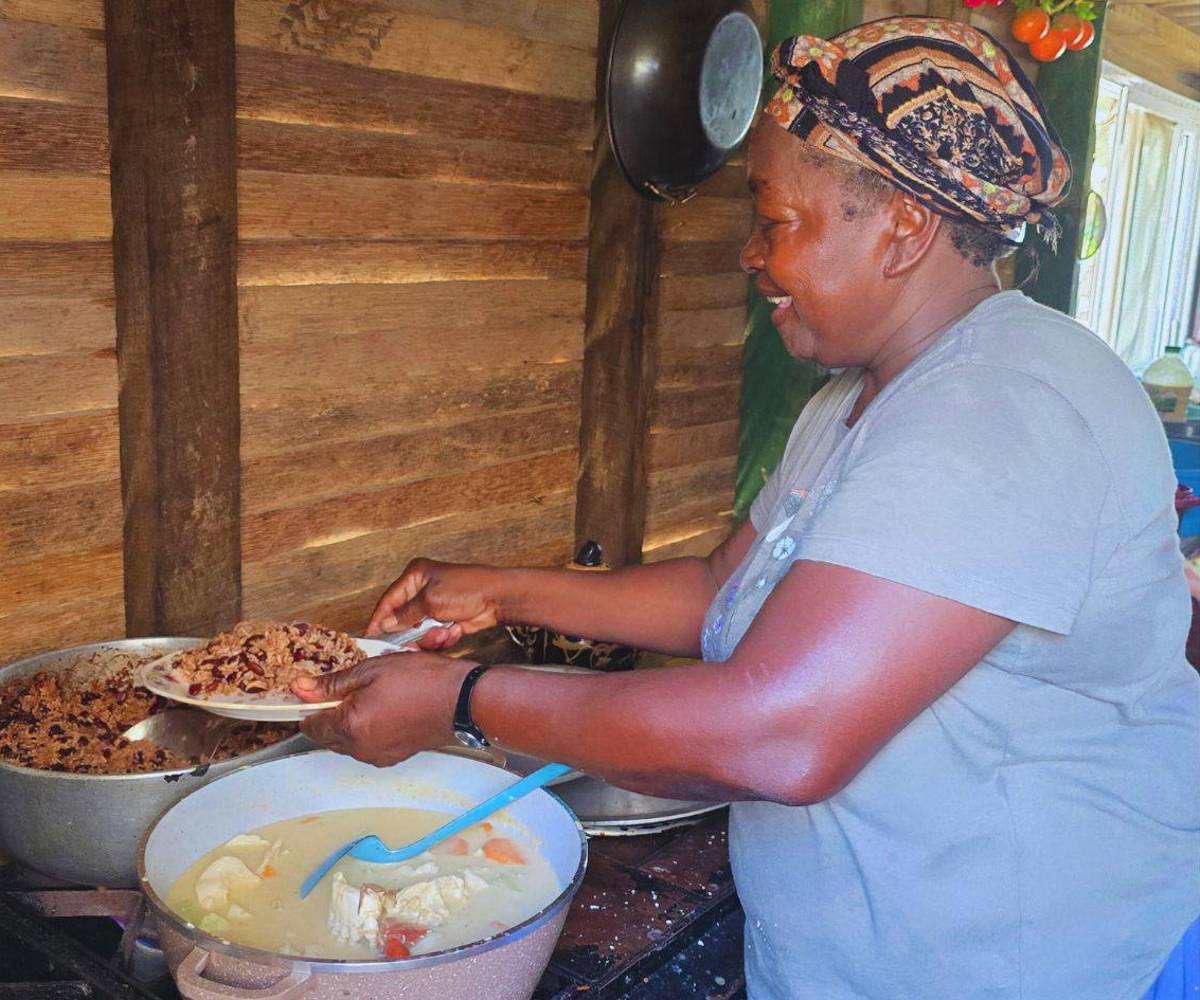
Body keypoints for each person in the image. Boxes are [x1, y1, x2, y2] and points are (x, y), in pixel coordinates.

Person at [294, 17, 1200, 1000]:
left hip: (1039, 964)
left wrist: (458, 704)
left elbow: (777, 732)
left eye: (776, 221)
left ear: (903, 226)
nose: (750, 255)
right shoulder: (854, 402)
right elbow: (720, 588)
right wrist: (501, 593)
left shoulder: (1005, 407)